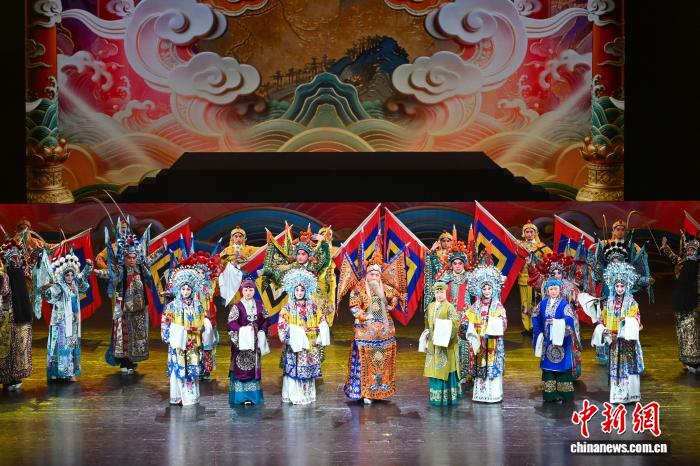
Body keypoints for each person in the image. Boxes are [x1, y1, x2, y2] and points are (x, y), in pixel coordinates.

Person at [94, 218, 165, 374]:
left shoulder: (139, 263)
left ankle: (132, 359)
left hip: (139, 305)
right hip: (123, 304)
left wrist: (162, 249)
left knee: (137, 333)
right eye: (121, 228)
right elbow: (105, 268)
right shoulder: (116, 254)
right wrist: (102, 271)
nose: (132, 260)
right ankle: (123, 361)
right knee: (123, 333)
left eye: (134, 258)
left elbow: (149, 259)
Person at [343, 248, 400, 405]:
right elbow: (354, 306)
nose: (374, 277)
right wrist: (362, 315)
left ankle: (379, 391)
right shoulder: (359, 288)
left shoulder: (384, 288)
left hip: (385, 333)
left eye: (377, 275)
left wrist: (392, 305)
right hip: (365, 332)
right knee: (365, 362)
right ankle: (365, 392)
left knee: (382, 361)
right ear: (366, 275)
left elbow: (396, 295)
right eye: (371, 274)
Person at [277, 269, 329, 405]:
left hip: (310, 344)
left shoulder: (313, 307)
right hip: (295, 346)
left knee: (308, 371)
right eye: (297, 290)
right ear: (292, 291)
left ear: (306, 291)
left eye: (302, 290)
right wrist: (295, 331)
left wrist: (322, 325)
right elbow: (282, 325)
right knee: (294, 372)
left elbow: (322, 319)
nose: (299, 293)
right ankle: (294, 396)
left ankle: (307, 395)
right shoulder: (287, 308)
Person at [597, 261, 645, 404]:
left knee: (628, 367)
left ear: (627, 286)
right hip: (614, 341)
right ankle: (617, 395)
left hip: (627, 341)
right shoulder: (608, 303)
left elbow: (637, 320)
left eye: (622, 286)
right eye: (617, 286)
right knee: (615, 368)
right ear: (613, 286)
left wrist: (628, 321)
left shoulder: (632, 303)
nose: (619, 289)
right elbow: (602, 320)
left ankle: (630, 395)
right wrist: (603, 329)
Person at [42, 250, 93, 382]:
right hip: (60, 322)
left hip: (73, 322)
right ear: (63, 275)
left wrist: (88, 267)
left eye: (71, 275)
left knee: (71, 346)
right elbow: (49, 296)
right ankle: (57, 372)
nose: (70, 277)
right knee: (59, 346)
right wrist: (46, 288)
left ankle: (70, 372)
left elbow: (83, 280)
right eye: (67, 275)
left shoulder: (75, 285)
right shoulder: (59, 286)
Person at [160, 260, 206, 406]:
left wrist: (200, 330)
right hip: (178, 343)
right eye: (183, 289)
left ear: (192, 290)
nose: (185, 292)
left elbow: (202, 323)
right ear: (178, 289)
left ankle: (191, 397)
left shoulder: (198, 306)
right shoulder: (172, 306)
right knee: (178, 369)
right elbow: (165, 322)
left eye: (188, 289)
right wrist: (173, 334)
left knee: (192, 369)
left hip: (193, 342)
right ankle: (178, 396)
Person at [463, 264, 507, 403]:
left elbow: (503, 322)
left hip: (492, 343)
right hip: (480, 343)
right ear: (480, 290)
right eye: (484, 288)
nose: (487, 291)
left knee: (492, 366)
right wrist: (467, 325)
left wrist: (494, 324)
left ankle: (493, 395)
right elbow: (466, 318)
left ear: (494, 289)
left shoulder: (498, 305)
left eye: (489, 288)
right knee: (480, 365)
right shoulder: (475, 306)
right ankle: (480, 394)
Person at [532, 279, 576, 403]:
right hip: (547, 341)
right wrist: (539, 332)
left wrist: (557, 323)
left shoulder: (564, 304)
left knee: (562, 368)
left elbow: (570, 319)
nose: (553, 291)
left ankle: (564, 394)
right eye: (551, 289)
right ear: (547, 290)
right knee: (548, 368)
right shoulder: (542, 303)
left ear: (559, 289)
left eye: (555, 289)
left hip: (561, 341)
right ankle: (550, 395)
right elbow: (535, 315)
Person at [227, 279, 271, 406]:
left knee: (253, 369)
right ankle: (241, 397)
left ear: (254, 291)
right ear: (242, 291)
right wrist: (243, 331)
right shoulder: (237, 306)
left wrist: (262, 331)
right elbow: (231, 323)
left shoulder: (259, 305)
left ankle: (253, 396)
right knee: (241, 368)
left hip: (255, 344)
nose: (248, 292)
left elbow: (266, 320)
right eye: (245, 290)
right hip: (242, 344)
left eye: (251, 290)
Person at [0, 240, 36, 390]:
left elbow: (30, 268)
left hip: (21, 315)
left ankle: (15, 376)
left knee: (19, 347)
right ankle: (7, 378)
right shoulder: (5, 276)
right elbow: (4, 292)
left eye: (17, 260)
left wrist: (35, 255)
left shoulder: (21, 273)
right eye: (12, 261)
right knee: (7, 348)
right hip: (7, 316)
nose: (16, 263)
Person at [660, 234, 699, 371]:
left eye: (693, 250)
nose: (690, 252)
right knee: (684, 332)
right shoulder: (683, 262)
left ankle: (695, 361)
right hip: (682, 305)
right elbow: (674, 258)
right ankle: (688, 361)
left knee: (694, 332)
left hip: (695, 305)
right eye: (689, 250)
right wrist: (665, 247)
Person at [422, 282, 461, 406]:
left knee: (445, 369)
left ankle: (446, 397)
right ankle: (435, 397)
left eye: (442, 292)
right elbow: (427, 323)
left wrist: (443, 330)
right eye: (437, 292)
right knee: (433, 369)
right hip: (433, 344)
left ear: (445, 292)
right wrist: (427, 334)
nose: (439, 295)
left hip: (445, 345)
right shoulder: (431, 306)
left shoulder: (449, 307)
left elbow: (455, 323)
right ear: (434, 293)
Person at [517, 221, 552, 335]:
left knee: (535, 302)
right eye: (527, 232)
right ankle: (527, 327)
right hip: (523, 278)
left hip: (537, 279)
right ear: (523, 233)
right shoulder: (520, 245)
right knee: (524, 303)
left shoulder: (541, 246)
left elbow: (550, 258)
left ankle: (535, 326)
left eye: (531, 232)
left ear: (535, 233)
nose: (529, 234)